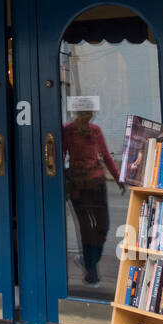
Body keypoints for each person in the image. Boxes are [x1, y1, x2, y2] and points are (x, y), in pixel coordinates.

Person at [62, 101, 124, 286]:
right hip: (78, 185)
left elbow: (105, 156)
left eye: (90, 112)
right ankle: (91, 272)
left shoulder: (95, 130)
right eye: (85, 112)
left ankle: (89, 261)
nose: (88, 115)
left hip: (96, 184)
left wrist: (118, 178)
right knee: (86, 229)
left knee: (103, 226)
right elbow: (59, 154)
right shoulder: (67, 130)